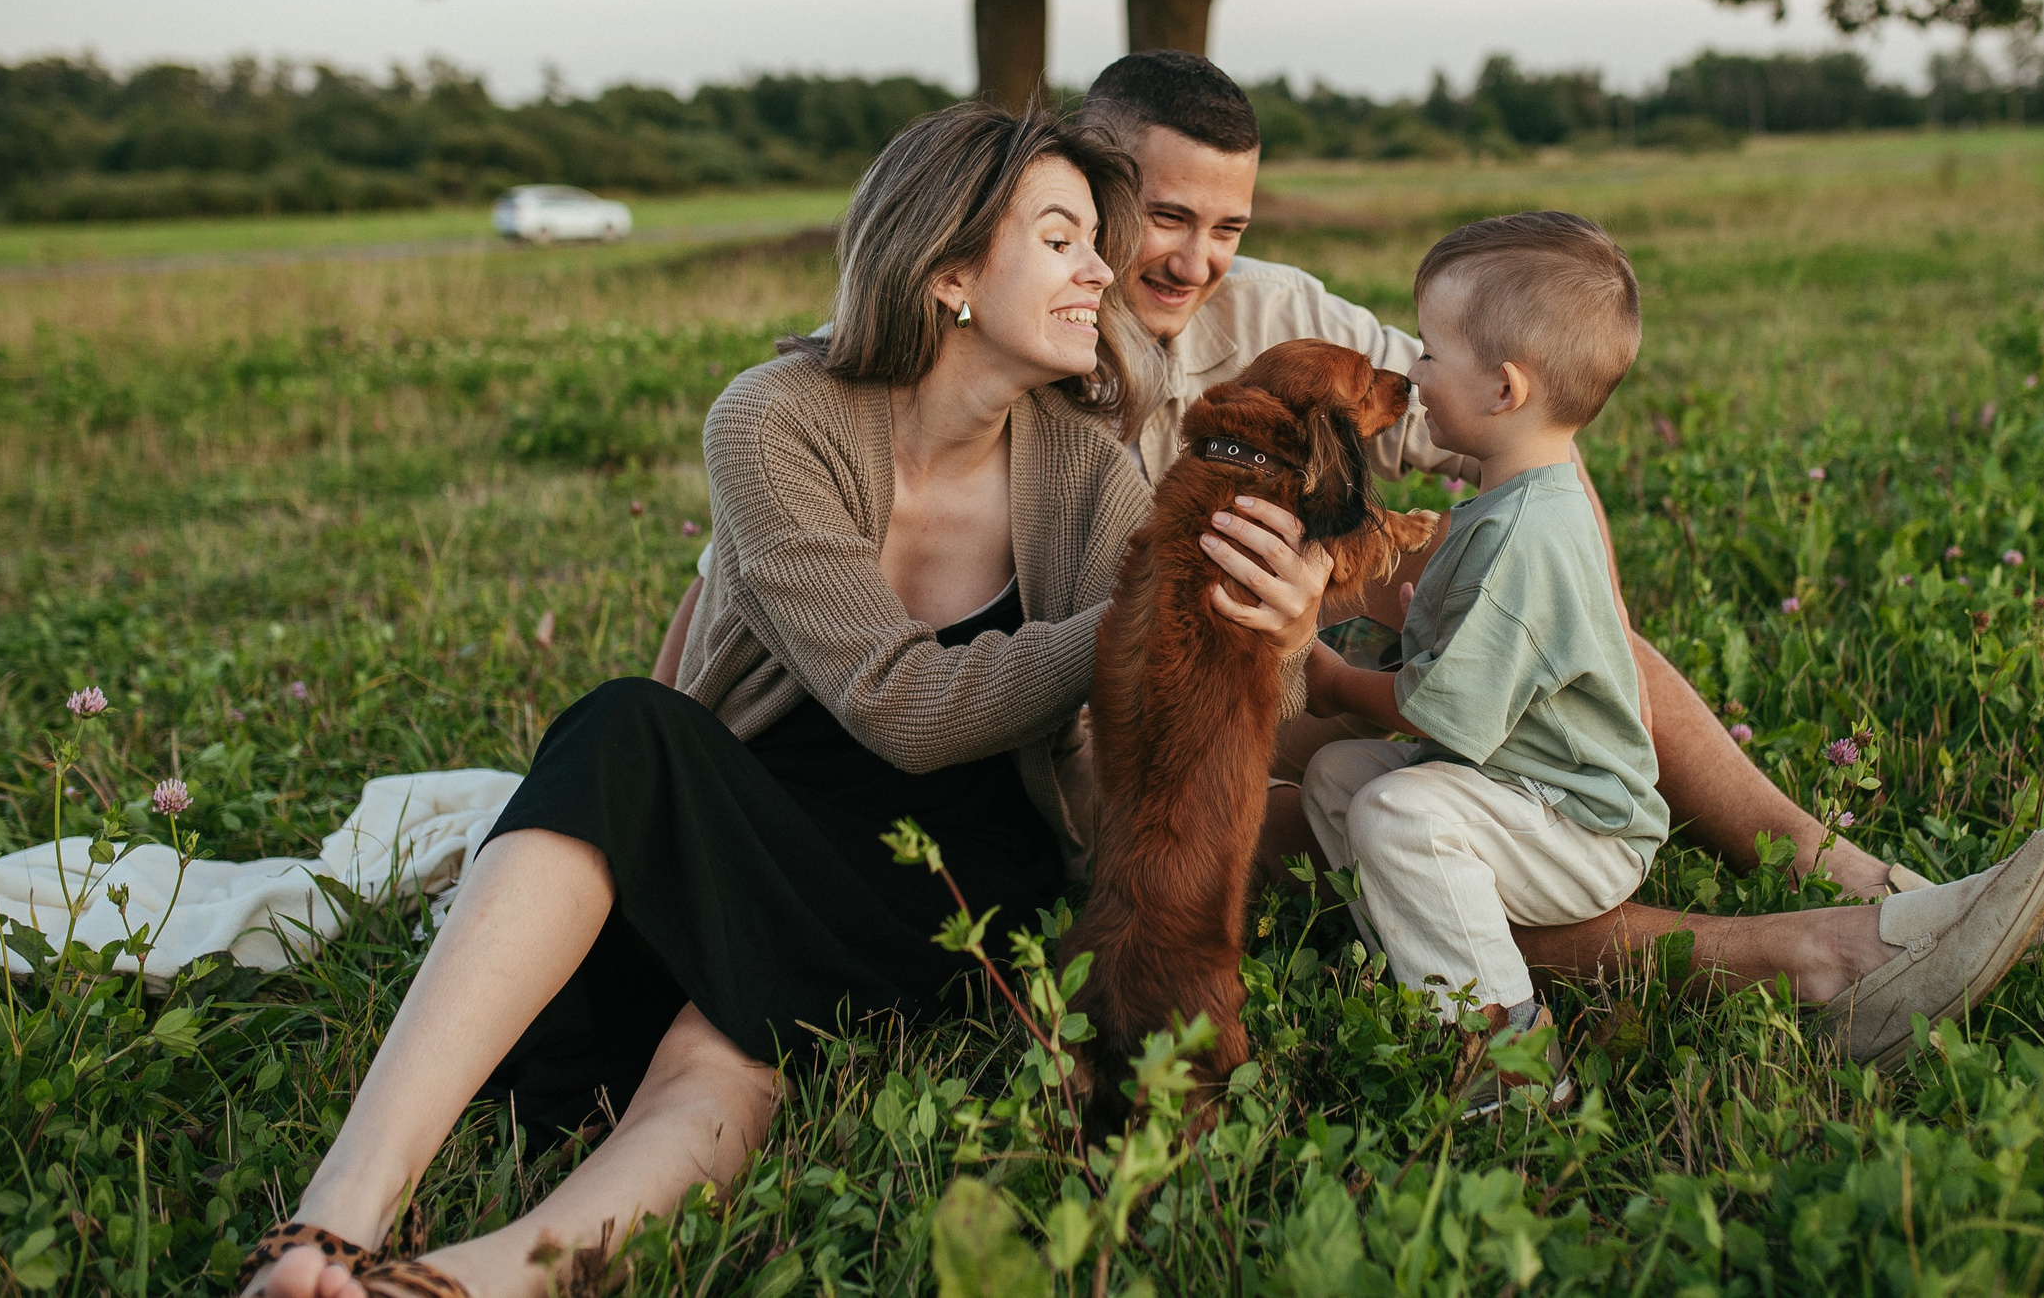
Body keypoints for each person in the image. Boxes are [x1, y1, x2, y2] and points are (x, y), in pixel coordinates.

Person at [240, 104, 1334, 1298]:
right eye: (1064, 237)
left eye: (1095, 243)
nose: (1099, 271)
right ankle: (332, 1218)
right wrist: (1141, 613)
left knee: (725, 1050)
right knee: (620, 728)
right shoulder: (775, 417)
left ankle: (472, 1282)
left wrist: (1266, 630)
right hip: (761, 803)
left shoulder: (1088, 467)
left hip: (954, 871)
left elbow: (1181, 709)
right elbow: (897, 701)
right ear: (950, 272)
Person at [655, 51, 1921, 922]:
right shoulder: (997, 350)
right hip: (1099, 752)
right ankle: (1789, 958)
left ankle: (1835, 869)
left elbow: (1513, 418)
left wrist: (1510, 581)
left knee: (1586, 644)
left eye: (1231, 225)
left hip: (1268, 674)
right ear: (1081, 198)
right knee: (1372, 836)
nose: (1198, 259)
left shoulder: (1281, 316)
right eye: (1163, 217)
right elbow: (765, 593)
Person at [1300, 213, 2044, 1085]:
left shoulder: (1521, 536)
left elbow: (1438, 709)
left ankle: (1510, 1063)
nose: (1413, 372)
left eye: (1431, 355)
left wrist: (1333, 680)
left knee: (1393, 811)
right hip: (1516, 789)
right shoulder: (1519, 502)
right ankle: (1438, 978)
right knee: (1340, 782)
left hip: (1573, 821)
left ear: (1504, 390)